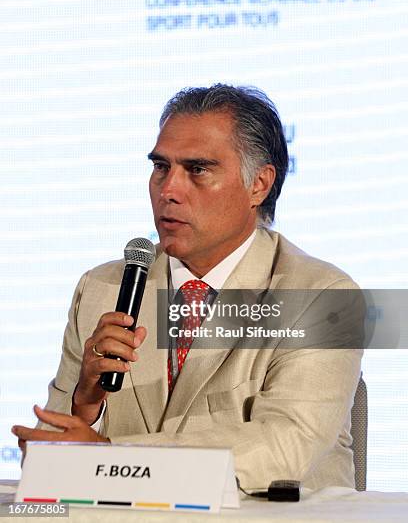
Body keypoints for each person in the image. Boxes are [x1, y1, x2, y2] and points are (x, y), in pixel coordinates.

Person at [12, 84, 363, 490]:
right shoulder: (102, 288)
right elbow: (47, 459)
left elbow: (280, 450)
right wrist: (84, 406)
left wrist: (108, 461)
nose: (168, 190)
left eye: (197, 169)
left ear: (259, 185)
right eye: (161, 167)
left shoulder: (323, 296)